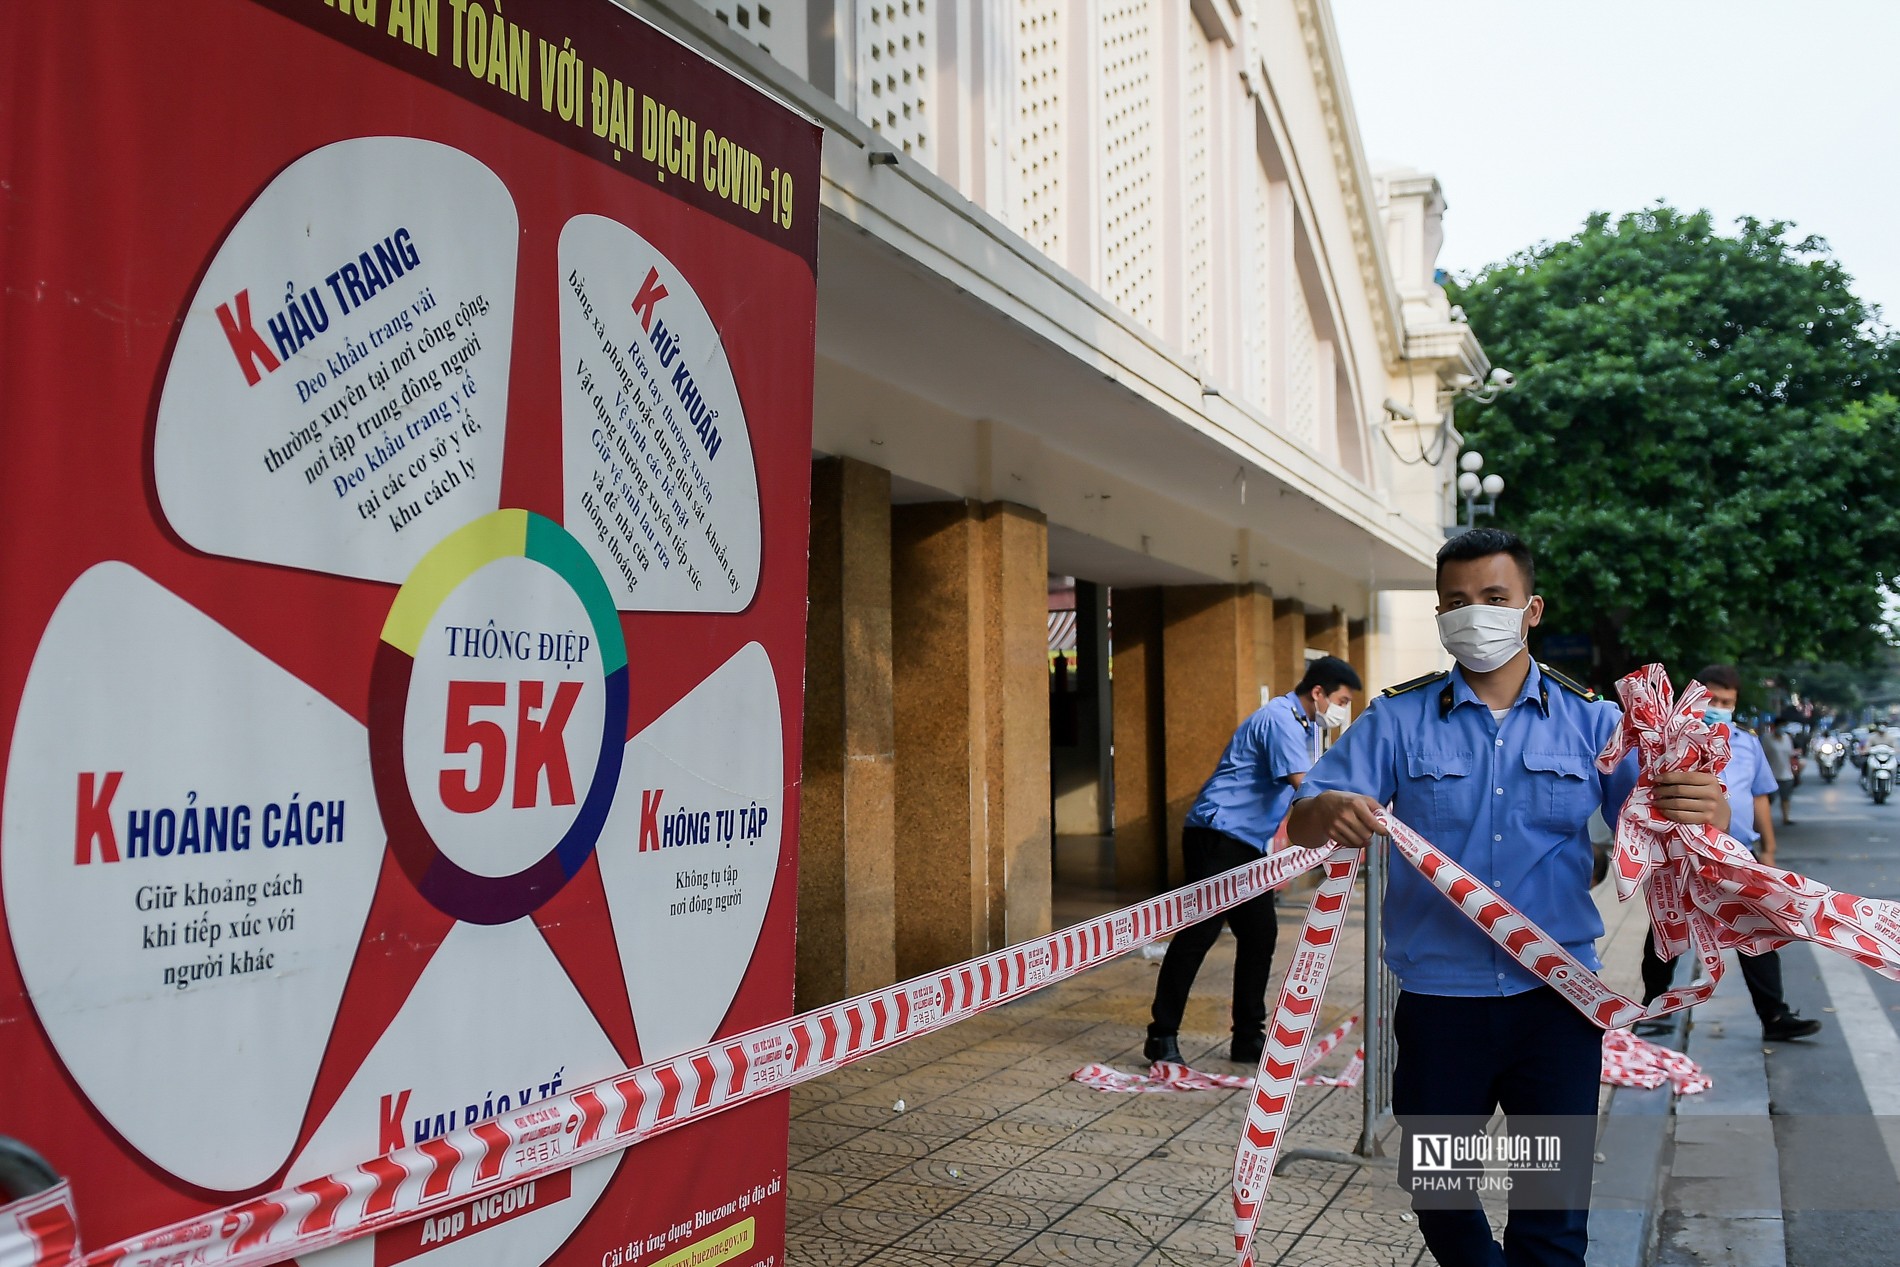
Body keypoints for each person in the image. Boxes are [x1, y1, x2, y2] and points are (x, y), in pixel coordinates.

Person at [1285, 528, 1729, 1267]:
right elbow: (1303, 818)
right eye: (1457, 602)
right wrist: (1323, 811)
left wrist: (1702, 806)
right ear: (1439, 614)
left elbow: (1662, 827)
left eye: (1495, 598)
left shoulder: (1595, 723)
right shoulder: (1397, 719)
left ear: (1531, 607)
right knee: (1443, 1195)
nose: (1476, 615)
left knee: (1550, 1215)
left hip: (1554, 1006)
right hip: (1439, 1003)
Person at [1144, 655, 1362, 1066]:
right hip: (1217, 834)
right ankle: (1162, 1035)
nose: (1342, 710)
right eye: (1342, 700)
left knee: (1260, 935)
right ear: (1317, 692)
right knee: (1199, 935)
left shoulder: (1306, 726)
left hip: (1246, 844)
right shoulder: (1279, 720)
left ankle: (1247, 1038)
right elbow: (1307, 786)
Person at [1633, 667, 1820, 1042]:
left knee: (1757, 931)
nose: (1719, 708)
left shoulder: (1747, 744)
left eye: (1726, 703)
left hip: (1737, 854)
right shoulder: (1670, 740)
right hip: (1684, 853)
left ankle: (1775, 1016)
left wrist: (1768, 848)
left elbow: (1760, 795)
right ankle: (1652, 1005)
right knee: (1667, 930)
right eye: (1712, 701)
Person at [1760, 718, 1796, 827]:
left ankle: (1786, 818)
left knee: (1785, 798)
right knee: (1768, 800)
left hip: (1786, 774)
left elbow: (1790, 754)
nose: (1783, 728)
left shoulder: (1787, 738)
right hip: (1771, 774)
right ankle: (1763, 820)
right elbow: (1762, 755)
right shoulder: (1767, 738)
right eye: (1781, 726)